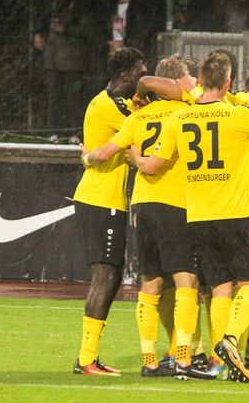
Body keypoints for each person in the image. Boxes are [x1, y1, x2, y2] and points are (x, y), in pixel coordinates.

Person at [131, 50, 249, 383]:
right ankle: (230, 344)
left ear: (200, 81)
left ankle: (217, 361)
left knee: (217, 288)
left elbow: (153, 164)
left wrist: (135, 158)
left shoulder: (180, 119)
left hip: (197, 215)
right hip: (233, 211)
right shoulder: (238, 113)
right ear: (229, 83)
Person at [82, 55, 213, 380]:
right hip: (175, 202)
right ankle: (185, 358)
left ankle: (150, 361)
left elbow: (105, 153)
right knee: (187, 282)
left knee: (150, 283)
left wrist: (87, 157)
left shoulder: (138, 116)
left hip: (142, 205)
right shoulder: (187, 112)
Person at [71, 47, 148, 376]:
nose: (144, 80)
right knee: (105, 276)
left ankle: (89, 356)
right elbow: (145, 133)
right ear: (126, 75)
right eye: (141, 74)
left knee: (111, 276)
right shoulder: (111, 107)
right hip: (101, 200)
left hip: (101, 197)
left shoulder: (107, 101)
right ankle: (86, 359)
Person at [34, 0, 92, 145]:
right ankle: (54, 132)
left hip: (73, 59)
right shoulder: (52, 0)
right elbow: (41, 20)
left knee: (73, 97)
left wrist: (66, 29)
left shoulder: (81, 3)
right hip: (52, 58)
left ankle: (76, 132)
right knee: (54, 97)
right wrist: (38, 34)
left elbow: (87, 29)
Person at [106, 0, 165, 69]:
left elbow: (140, 29)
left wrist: (126, 42)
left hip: (131, 48)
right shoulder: (113, 5)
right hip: (119, 48)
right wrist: (111, 41)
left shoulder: (137, 7)